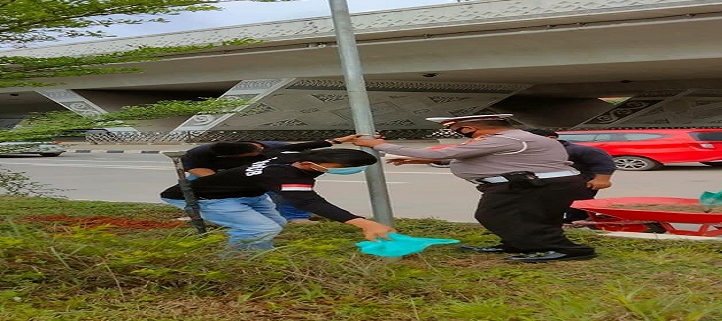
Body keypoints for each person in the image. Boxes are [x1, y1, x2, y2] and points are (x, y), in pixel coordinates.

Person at [352, 114, 597, 263]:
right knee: (530, 217)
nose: (459, 134)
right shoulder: (516, 138)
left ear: (469, 129)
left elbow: (445, 153)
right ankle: (518, 244)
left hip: (532, 185)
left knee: (494, 215)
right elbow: (488, 160)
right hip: (535, 183)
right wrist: (420, 160)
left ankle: (567, 250)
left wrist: (379, 144)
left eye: (457, 130)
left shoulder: (508, 139)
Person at [160, 148, 395, 251]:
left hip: (247, 194)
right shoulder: (286, 175)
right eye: (344, 167)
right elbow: (309, 202)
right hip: (205, 197)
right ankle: (239, 262)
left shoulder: (292, 156)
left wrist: (338, 141)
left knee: (277, 224)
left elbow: (305, 146)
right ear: (312, 164)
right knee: (261, 228)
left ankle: (258, 250)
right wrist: (364, 223)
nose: (352, 171)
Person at [181, 135, 361, 223]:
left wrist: (336, 141)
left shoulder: (269, 147)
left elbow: (304, 148)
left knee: (283, 190)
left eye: (260, 149)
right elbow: (194, 167)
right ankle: (201, 215)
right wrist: (222, 181)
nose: (261, 150)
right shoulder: (200, 153)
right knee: (202, 191)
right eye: (256, 152)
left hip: (261, 171)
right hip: (214, 172)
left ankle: (294, 216)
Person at [524, 128, 616, 223]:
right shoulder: (534, 152)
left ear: (551, 138)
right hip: (547, 183)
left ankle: (578, 221)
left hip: (579, 183)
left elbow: (604, 163)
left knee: (576, 204)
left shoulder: (577, 150)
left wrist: (601, 179)